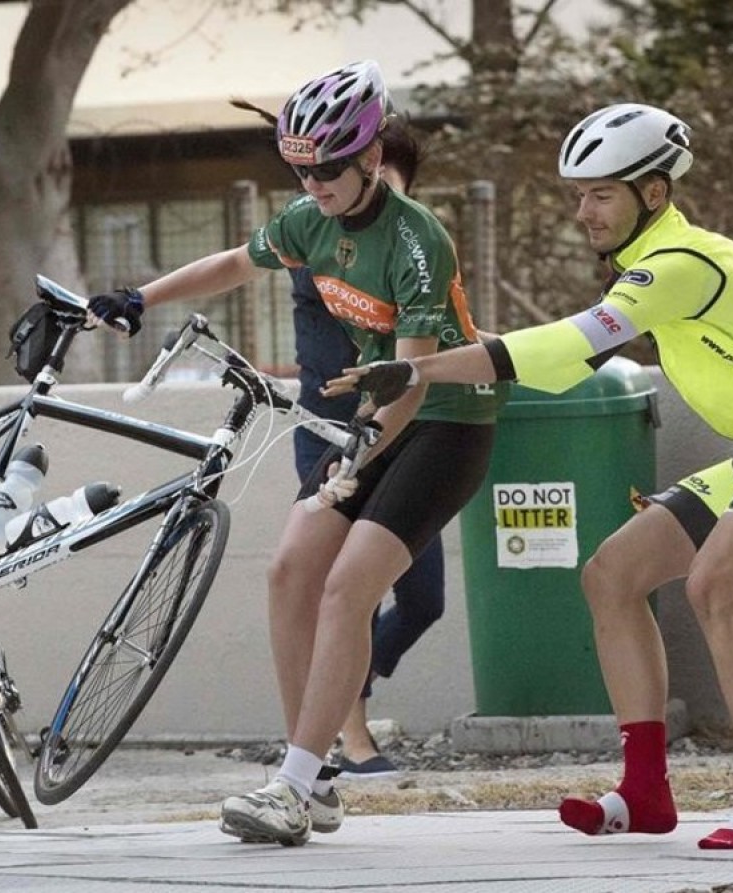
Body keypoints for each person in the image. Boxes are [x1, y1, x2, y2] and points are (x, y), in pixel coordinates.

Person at [327, 102, 733, 850]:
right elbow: (564, 361)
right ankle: (647, 790)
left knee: (715, 584)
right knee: (612, 573)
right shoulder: (648, 271)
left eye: (600, 193)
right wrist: (435, 346)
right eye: (578, 194)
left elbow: (563, 348)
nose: (581, 210)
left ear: (653, 194)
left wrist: (422, 366)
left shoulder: (681, 265)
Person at [89, 60, 504, 845]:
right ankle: (308, 780)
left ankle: (291, 784)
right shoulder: (309, 221)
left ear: (372, 159)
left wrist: (352, 464)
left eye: (327, 171)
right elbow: (232, 266)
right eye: (300, 169)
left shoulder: (418, 239)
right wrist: (141, 298)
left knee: (349, 587)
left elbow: (411, 377)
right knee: (289, 572)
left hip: (445, 419)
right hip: (372, 417)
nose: (312, 185)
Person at [284, 129, 444, 779]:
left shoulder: (413, 251)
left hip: (405, 436)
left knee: (423, 599)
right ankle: (350, 740)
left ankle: (345, 676)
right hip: (332, 438)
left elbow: (424, 350)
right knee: (344, 590)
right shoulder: (318, 253)